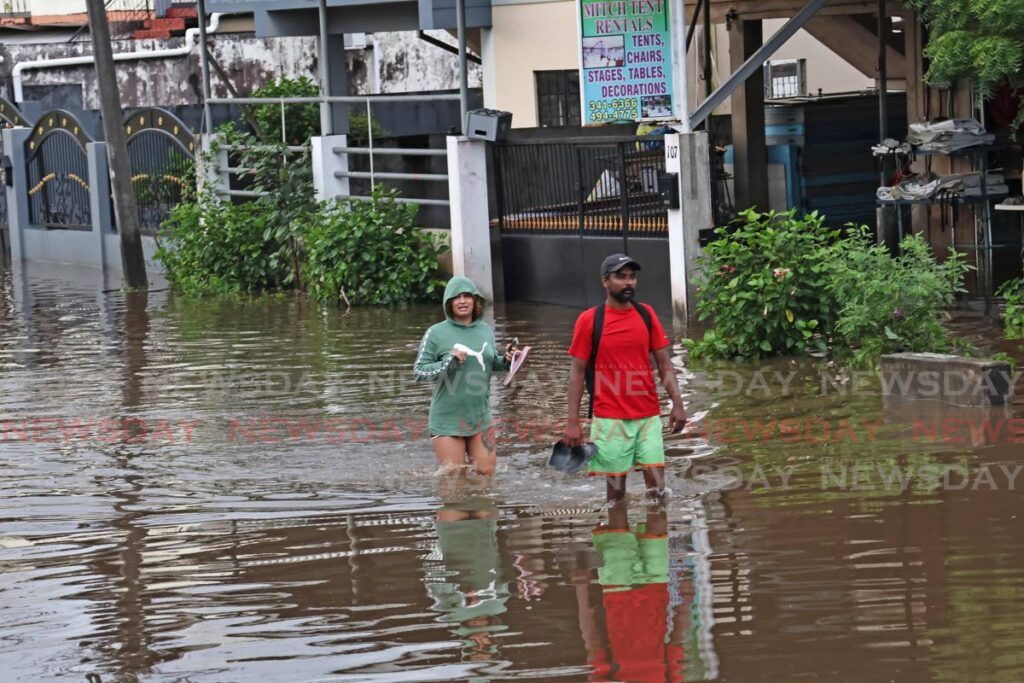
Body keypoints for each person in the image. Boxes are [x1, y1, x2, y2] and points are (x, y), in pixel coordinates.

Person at [564, 254, 687, 500]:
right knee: (616, 496)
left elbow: (665, 365)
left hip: (648, 417)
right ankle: (617, 535)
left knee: (658, 493)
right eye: (621, 277)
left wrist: (678, 403)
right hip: (610, 420)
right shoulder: (589, 320)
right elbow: (576, 374)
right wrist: (573, 422)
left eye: (632, 277)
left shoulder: (647, 315)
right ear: (605, 281)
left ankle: (655, 535)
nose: (628, 282)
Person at [414, 276, 517, 476]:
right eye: (456, 297)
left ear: (475, 300)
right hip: (447, 419)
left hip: (480, 416)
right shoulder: (436, 333)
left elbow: (489, 362)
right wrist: (448, 362)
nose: (462, 301)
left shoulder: (484, 330)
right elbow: (419, 371)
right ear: (448, 303)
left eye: (467, 296)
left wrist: (506, 360)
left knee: (487, 476)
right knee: (454, 482)